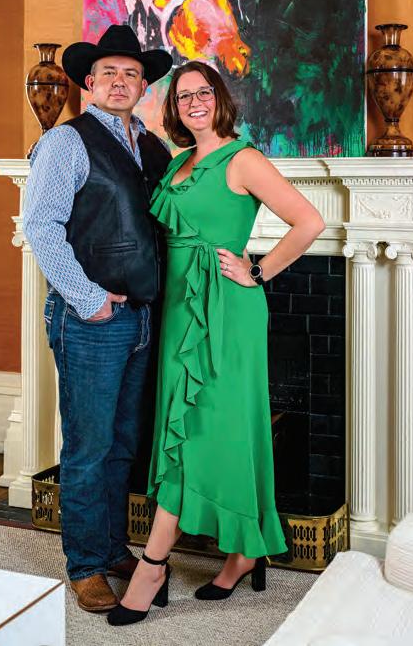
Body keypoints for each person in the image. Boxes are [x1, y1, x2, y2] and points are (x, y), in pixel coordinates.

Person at [108, 60, 326, 626]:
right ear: (174, 108)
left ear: (220, 97)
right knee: (190, 428)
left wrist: (258, 271)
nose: (194, 102)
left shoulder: (244, 159)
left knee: (203, 432)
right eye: (183, 96)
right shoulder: (178, 162)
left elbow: (309, 221)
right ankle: (244, 550)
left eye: (203, 92)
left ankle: (153, 564)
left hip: (226, 310)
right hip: (180, 310)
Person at [23, 25, 172, 613]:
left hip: (141, 316)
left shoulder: (153, 147)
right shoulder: (66, 142)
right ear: (88, 82)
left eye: (131, 73)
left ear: (143, 87)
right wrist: (87, 298)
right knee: (88, 448)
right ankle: (85, 564)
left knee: (121, 446)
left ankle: (112, 548)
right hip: (90, 317)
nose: (120, 81)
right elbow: (41, 227)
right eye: (109, 72)